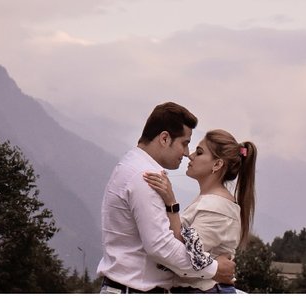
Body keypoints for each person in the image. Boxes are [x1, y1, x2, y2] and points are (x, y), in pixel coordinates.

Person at [96, 102, 236, 293]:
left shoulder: (133, 165)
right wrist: (214, 269)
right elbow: (160, 245)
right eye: (184, 143)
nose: (187, 153)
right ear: (164, 138)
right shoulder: (145, 176)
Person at [143, 128, 257, 293]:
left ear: (217, 164)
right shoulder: (209, 201)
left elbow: (185, 254)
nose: (190, 156)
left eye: (199, 152)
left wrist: (171, 202)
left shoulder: (218, 209)